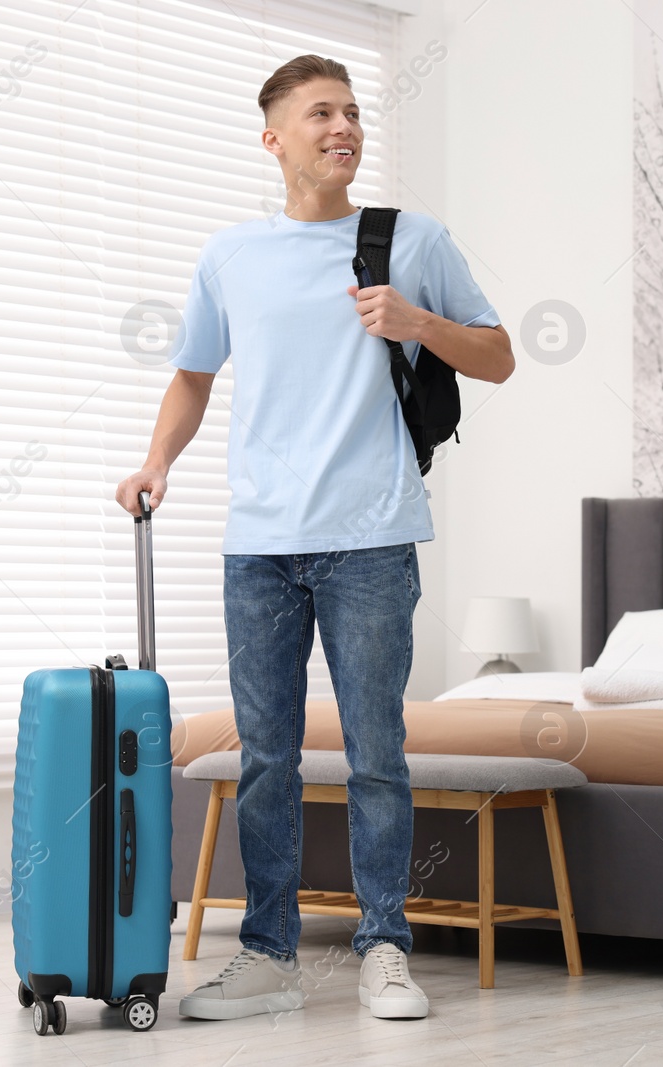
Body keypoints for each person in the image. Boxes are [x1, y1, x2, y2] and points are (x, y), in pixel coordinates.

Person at [115, 53, 512, 1022]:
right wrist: (155, 461)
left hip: (372, 537)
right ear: (274, 138)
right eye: (320, 113)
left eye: (352, 112)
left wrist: (416, 319)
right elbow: (194, 376)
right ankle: (269, 955)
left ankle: (384, 945)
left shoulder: (411, 240)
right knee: (267, 756)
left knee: (378, 749)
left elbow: (497, 353)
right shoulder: (231, 255)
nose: (344, 127)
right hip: (258, 544)